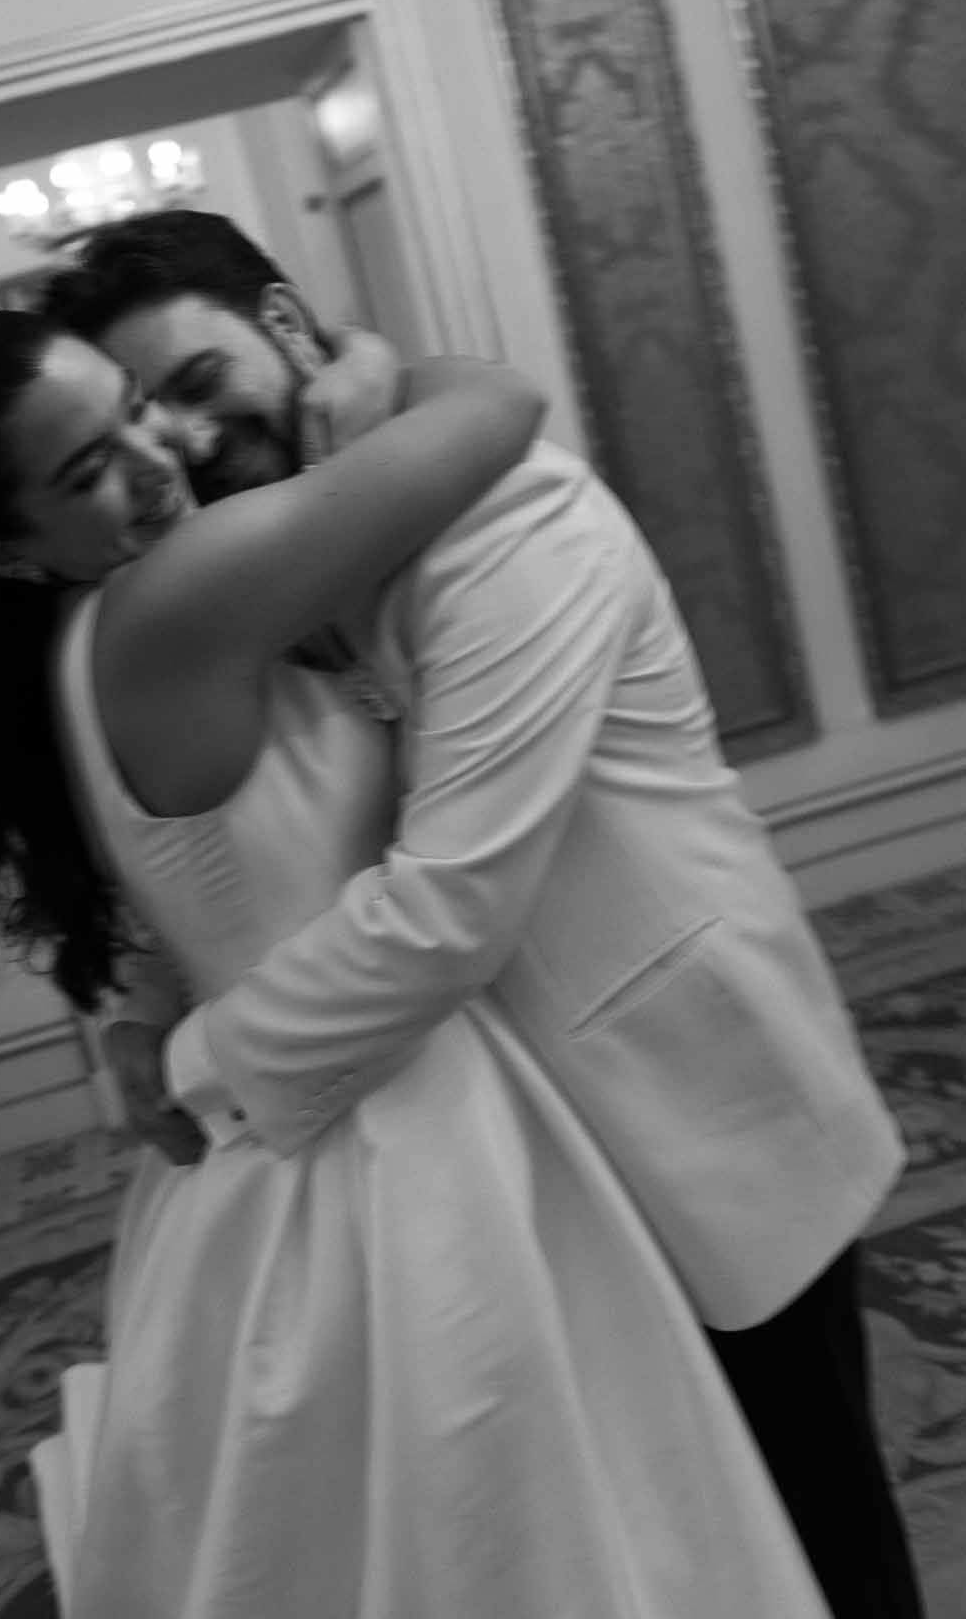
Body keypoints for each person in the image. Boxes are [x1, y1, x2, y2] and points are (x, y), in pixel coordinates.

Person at [0, 307, 833, 1619]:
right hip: (388, 1135)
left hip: (300, 1133)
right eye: (86, 470)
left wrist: (153, 1030)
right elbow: (495, 407)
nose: (155, 456)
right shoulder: (185, 589)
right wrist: (360, 360)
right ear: (4, 552)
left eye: (134, 406)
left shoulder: (71, 644)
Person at [49, 207, 922, 1619]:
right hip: (500, 1162)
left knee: (816, 1524)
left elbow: (452, 904)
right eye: (152, 417)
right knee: (667, 1556)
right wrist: (140, 999)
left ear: (288, 327)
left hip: (686, 1096)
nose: (190, 441)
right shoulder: (269, 554)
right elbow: (219, 822)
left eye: (200, 382)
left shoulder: (514, 518)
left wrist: (201, 1061)